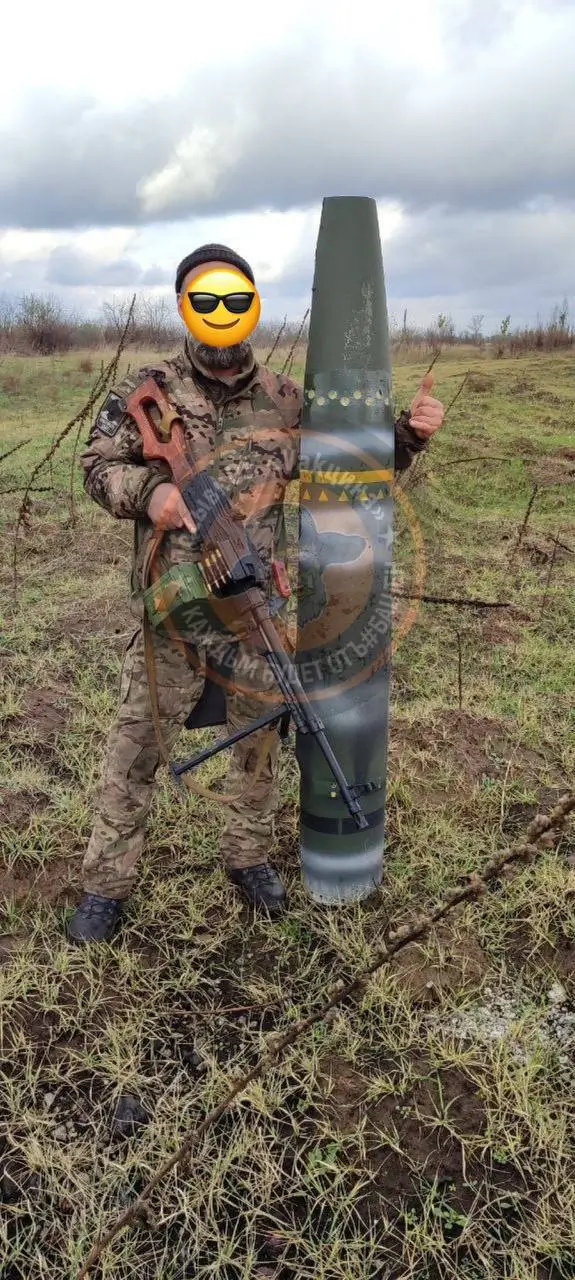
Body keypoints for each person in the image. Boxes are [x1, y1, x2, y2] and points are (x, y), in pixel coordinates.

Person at [67, 244, 445, 944]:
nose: (222, 318)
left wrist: (407, 436)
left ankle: (247, 859)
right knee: (136, 748)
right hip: (175, 611)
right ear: (186, 307)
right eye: (205, 301)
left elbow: (351, 460)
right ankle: (106, 886)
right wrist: (152, 496)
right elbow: (95, 467)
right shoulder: (147, 390)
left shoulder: (284, 400)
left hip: (254, 611)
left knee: (260, 749)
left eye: (233, 301)